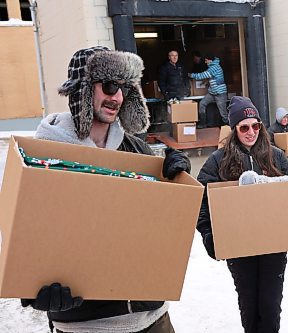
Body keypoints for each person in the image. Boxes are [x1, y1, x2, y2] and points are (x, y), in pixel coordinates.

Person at [22, 46, 191, 333]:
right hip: (88, 325)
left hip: (153, 319)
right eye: (110, 85)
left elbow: (162, 226)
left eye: (124, 88)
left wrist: (176, 180)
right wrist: (31, 285)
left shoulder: (138, 151)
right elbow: (25, 232)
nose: (117, 97)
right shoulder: (45, 156)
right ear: (83, 89)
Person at [196, 96, 288, 333]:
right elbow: (202, 200)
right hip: (240, 247)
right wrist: (209, 234)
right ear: (235, 129)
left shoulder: (276, 156)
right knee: (249, 304)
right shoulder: (218, 161)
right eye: (244, 127)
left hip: (274, 245)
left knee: (271, 306)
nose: (251, 132)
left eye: (255, 126)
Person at [188, 53, 228, 127]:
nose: (205, 62)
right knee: (202, 103)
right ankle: (203, 124)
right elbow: (211, 77)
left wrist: (190, 75)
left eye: (206, 60)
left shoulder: (214, 67)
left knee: (223, 112)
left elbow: (202, 75)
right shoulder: (213, 67)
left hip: (220, 93)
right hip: (212, 92)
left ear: (210, 60)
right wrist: (207, 81)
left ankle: (228, 127)